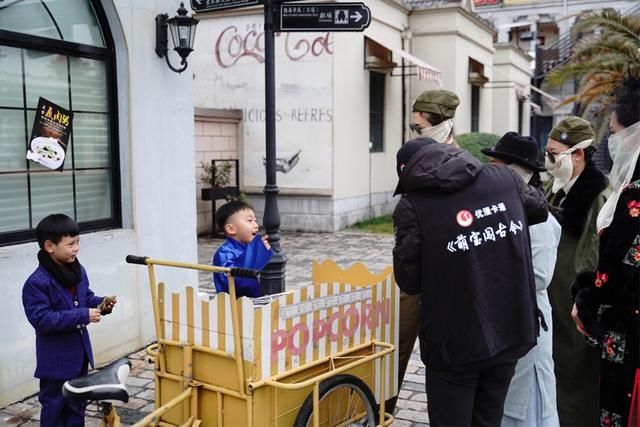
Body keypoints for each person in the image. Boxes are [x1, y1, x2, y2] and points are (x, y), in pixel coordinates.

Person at [393, 137, 548, 426]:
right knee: (489, 419)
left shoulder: (412, 207)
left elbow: (409, 282)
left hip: (455, 343)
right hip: (511, 327)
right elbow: (539, 209)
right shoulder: (504, 178)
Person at [387, 89, 462, 414]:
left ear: (443, 125)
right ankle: (383, 410)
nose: (416, 132)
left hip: (450, 272)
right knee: (397, 343)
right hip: (415, 272)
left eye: (419, 127)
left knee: (448, 355)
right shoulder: (417, 158)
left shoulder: (464, 164)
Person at [572, 78, 640, 426]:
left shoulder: (634, 197)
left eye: (614, 132)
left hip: (629, 331)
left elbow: (615, 270)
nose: (611, 142)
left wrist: (586, 303)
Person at [482, 132, 561, 427]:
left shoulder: (541, 220)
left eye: (496, 164)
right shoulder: (500, 211)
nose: (489, 170)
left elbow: (539, 277)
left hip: (530, 319)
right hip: (505, 319)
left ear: (519, 171)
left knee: (528, 401)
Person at [22, 214, 116, 427]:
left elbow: (85, 297)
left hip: (79, 357)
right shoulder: (36, 283)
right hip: (55, 363)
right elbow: (42, 319)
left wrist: (101, 304)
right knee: (55, 409)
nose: (76, 248)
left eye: (78, 242)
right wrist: (83, 315)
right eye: (71, 244)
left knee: (76, 407)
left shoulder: (77, 270)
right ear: (49, 246)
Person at [544, 116, 608, 426]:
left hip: (574, 305)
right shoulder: (555, 186)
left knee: (575, 378)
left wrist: (582, 300)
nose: (549, 160)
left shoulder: (597, 196)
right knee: (554, 374)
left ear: (578, 153)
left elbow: (593, 254)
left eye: (554, 153)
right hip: (551, 298)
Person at [212, 200, 272, 298]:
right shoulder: (224, 252)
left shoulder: (247, 248)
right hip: (235, 307)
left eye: (255, 220)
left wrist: (260, 252)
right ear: (231, 229)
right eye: (249, 221)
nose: (256, 225)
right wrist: (256, 251)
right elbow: (235, 280)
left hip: (254, 303)